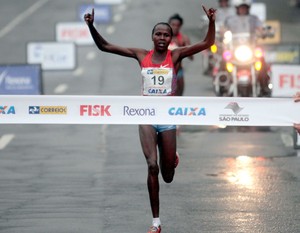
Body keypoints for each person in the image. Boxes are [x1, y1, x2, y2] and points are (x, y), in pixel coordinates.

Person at [84, 6, 216, 233]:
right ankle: (156, 222)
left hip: (166, 117)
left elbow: (206, 43)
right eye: (158, 34)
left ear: (171, 39)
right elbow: (105, 46)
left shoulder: (175, 55)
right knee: (152, 166)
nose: (162, 38)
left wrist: (212, 21)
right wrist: (91, 26)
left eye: (166, 35)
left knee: (167, 176)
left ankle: (171, 157)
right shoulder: (140, 55)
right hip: (145, 116)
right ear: (152, 37)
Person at [223, 0, 271, 96]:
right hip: (235, 50)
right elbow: (223, 30)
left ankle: (264, 85)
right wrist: (220, 34)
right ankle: (222, 83)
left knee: (262, 61)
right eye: (241, 8)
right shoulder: (230, 19)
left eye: (245, 7)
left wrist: (263, 33)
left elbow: (260, 29)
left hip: (250, 49)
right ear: (237, 8)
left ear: (248, 8)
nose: (243, 9)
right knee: (223, 60)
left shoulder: (254, 19)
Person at [168, 13, 193, 96]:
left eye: (177, 25)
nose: (175, 27)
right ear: (169, 24)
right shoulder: (163, 37)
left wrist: (183, 49)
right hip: (163, 70)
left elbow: (191, 57)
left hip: (178, 70)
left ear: (180, 26)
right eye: (173, 25)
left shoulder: (184, 38)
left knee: (179, 94)